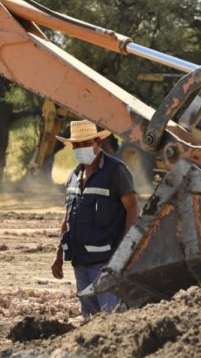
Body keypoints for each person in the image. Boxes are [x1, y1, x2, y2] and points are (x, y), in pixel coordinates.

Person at [50, 120, 140, 317]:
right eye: (77, 145)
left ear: (97, 142)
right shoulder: (73, 176)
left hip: (105, 262)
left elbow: (132, 207)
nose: (81, 148)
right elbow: (67, 216)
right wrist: (58, 255)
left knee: (110, 315)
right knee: (89, 315)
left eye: (86, 143)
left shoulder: (116, 171)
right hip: (79, 260)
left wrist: (126, 250)